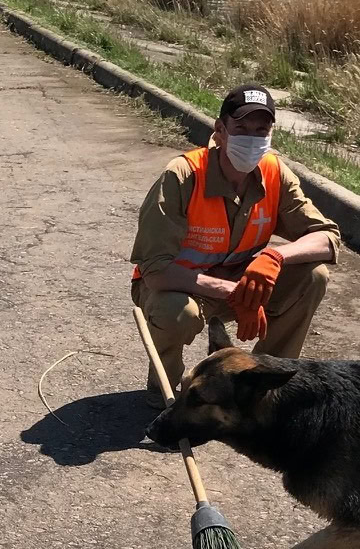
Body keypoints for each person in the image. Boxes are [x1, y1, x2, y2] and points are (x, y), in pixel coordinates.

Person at [130, 84, 340, 407]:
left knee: (314, 276)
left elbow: (327, 237)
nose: (252, 138)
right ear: (220, 130)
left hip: (236, 283)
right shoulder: (183, 176)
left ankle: (261, 386)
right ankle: (167, 390)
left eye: (261, 129)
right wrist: (237, 293)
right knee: (176, 313)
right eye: (241, 128)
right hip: (176, 287)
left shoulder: (274, 174)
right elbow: (155, 271)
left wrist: (274, 256)